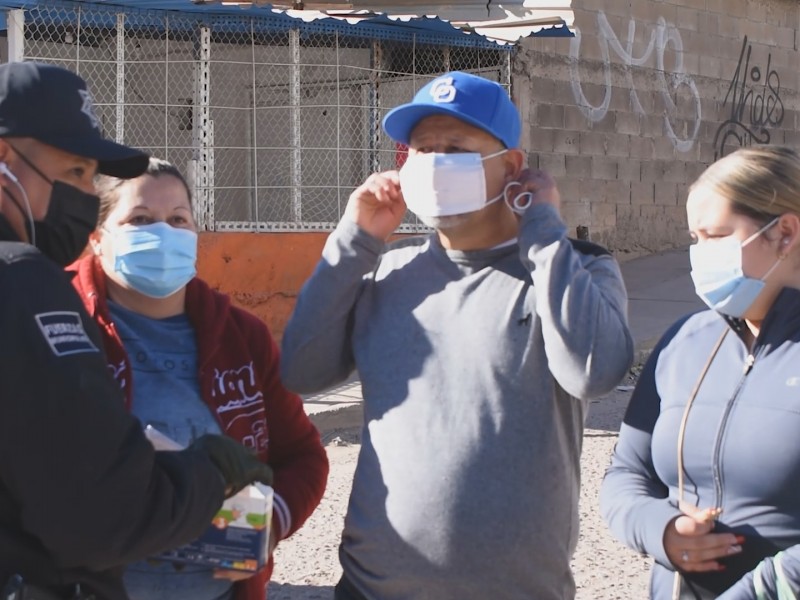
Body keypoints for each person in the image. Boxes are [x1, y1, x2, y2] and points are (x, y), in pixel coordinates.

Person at [280, 70, 634, 599]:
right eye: (422, 150)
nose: (435, 163)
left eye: (456, 148)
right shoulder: (385, 274)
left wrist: (543, 231)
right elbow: (301, 371)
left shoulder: (571, 269)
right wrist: (354, 241)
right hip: (371, 588)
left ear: (511, 167)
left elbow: (594, 371)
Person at [0, 61, 273, 600]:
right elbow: (102, 517)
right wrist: (206, 473)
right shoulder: (27, 284)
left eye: (179, 219)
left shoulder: (239, 334)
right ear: (5, 159)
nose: (83, 192)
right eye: (75, 173)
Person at [67, 157, 329, 600]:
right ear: (97, 238)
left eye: (177, 220)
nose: (163, 234)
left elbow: (303, 456)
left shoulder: (242, 339)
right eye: (141, 219)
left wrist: (267, 527)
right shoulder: (58, 321)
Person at [600, 145, 800, 600]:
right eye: (694, 239)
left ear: (784, 233)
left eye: (715, 235)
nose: (699, 255)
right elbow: (626, 473)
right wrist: (661, 531)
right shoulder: (683, 341)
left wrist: (758, 592)